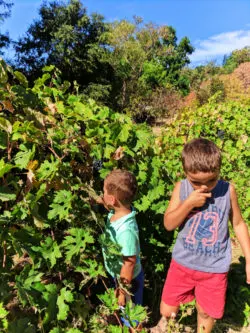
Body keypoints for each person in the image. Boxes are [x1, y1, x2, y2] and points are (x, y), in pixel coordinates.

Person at [151, 138, 250, 333]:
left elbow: (238, 223)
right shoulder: (182, 188)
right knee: (167, 310)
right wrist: (188, 204)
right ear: (185, 172)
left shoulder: (227, 191)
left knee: (206, 314)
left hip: (214, 269)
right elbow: (169, 224)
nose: (204, 187)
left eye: (211, 180)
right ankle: (164, 325)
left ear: (219, 171)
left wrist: (248, 258)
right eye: (196, 182)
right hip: (182, 265)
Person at [98, 169, 144, 307]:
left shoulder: (126, 231)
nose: (102, 194)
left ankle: (135, 328)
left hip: (129, 280)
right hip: (117, 273)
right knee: (120, 306)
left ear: (112, 199)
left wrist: (123, 291)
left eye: (104, 192)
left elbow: (129, 263)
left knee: (131, 312)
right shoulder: (118, 210)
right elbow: (108, 204)